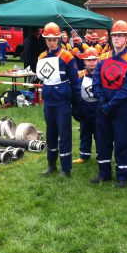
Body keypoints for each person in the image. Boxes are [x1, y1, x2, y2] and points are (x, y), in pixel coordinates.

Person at [91, 20, 127, 188]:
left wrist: (111, 105)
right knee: (103, 141)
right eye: (114, 36)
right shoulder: (102, 58)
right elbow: (96, 82)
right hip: (103, 108)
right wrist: (103, 102)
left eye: (120, 36)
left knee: (122, 141)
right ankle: (104, 173)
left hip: (121, 109)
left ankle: (123, 176)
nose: (116, 39)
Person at [37, 22, 80, 178]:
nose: (51, 42)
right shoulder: (41, 57)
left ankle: (66, 168)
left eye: (54, 39)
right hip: (49, 101)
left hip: (63, 101)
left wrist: (76, 104)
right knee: (51, 134)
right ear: (45, 40)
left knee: (65, 135)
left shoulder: (67, 56)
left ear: (59, 39)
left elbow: (75, 81)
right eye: (48, 39)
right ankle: (51, 165)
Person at [73, 47, 99, 164]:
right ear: (84, 62)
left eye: (94, 60)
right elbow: (75, 91)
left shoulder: (102, 74)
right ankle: (84, 155)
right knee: (85, 132)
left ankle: (101, 154)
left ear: (98, 60)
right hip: (85, 109)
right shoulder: (79, 75)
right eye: (89, 60)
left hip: (98, 109)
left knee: (100, 134)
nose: (92, 62)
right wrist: (76, 109)